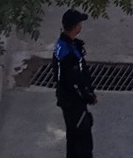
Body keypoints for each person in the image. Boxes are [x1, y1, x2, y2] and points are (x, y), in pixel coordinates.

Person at [53, 9, 96, 157]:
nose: (81, 26)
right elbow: (75, 82)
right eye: (79, 23)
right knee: (83, 142)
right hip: (73, 102)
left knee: (72, 138)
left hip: (66, 99)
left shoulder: (63, 45)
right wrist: (89, 96)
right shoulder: (69, 54)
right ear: (75, 26)